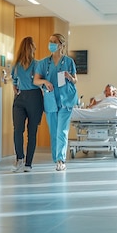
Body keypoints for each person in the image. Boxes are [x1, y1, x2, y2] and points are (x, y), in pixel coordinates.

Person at [34, 33, 78, 171]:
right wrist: (45, 81)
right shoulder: (43, 63)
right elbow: (36, 80)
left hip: (66, 100)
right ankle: (56, 159)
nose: (51, 44)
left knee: (61, 131)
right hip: (51, 100)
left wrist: (69, 76)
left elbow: (75, 80)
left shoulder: (69, 62)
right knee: (54, 132)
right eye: (50, 41)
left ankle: (60, 160)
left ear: (61, 45)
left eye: (54, 41)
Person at [11, 37, 44, 173]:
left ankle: (28, 163)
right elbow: (14, 82)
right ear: (28, 48)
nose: (35, 49)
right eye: (33, 46)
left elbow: (39, 80)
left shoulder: (37, 64)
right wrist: (16, 89)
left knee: (32, 131)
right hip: (20, 98)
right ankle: (20, 158)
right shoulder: (16, 66)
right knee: (18, 129)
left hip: (34, 97)